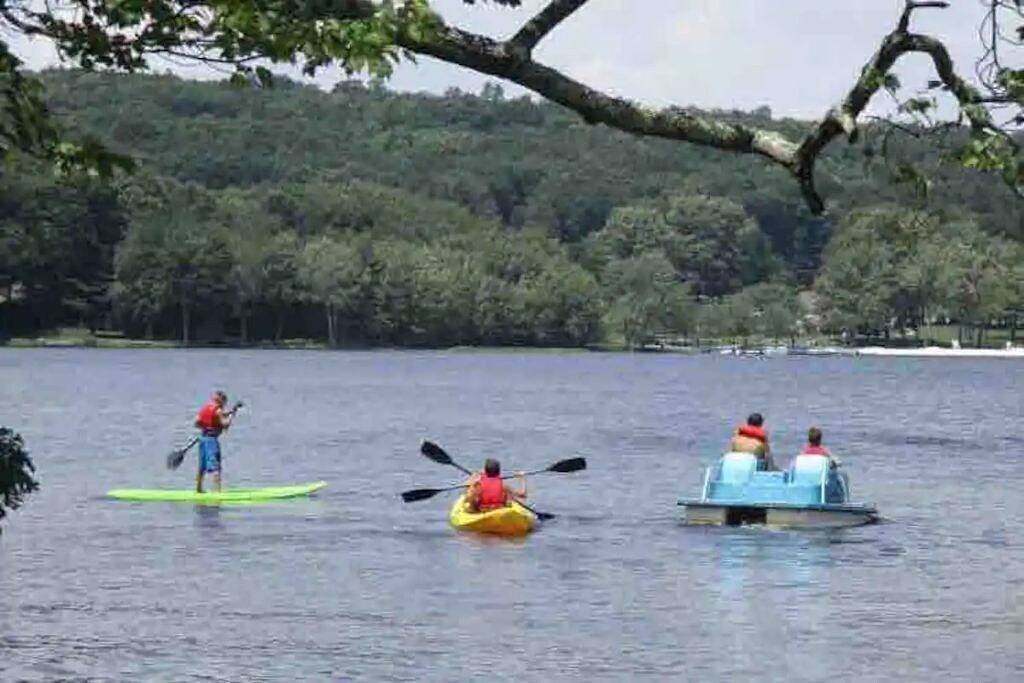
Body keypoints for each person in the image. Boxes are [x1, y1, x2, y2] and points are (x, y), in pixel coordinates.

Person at [194, 390, 234, 493]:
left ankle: (198, 489)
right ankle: (217, 492)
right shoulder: (218, 411)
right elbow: (225, 424)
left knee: (202, 466)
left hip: (203, 439)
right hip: (211, 441)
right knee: (216, 467)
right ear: (221, 400)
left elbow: (197, 423)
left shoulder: (206, 408)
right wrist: (231, 417)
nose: (224, 405)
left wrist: (207, 427)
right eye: (224, 402)